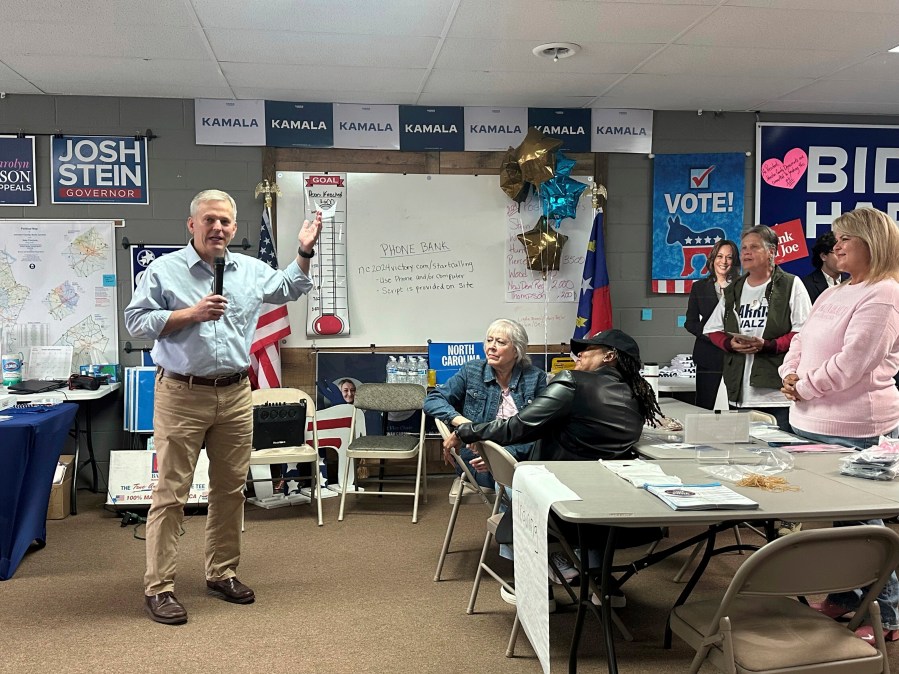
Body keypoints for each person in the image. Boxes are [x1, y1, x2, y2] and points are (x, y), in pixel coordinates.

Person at [124, 189, 322, 625]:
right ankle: (159, 587)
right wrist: (189, 314)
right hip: (181, 393)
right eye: (209, 220)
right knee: (170, 494)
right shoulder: (164, 271)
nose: (218, 228)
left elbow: (289, 286)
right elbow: (136, 321)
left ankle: (222, 573)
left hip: (235, 394)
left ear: (234, 228)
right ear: (191, 225)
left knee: (231, 490)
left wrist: (304, 250)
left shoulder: (249, 270)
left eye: (226, 222)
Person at [778, 207, 899, 644]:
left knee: (865, 529)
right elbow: (800, 340)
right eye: (836, 238)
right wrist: (788, 378)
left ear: (874, 243)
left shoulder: (885, 294)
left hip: (856, 425)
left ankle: (887, 614)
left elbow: (854, 363)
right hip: (809, 418)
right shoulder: (835, 291)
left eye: (846, 238)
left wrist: (805, 387)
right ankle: (846, 596)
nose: (837, 246)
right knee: (836, 523)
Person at [702, 225, 812, 432]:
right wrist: (730, 344)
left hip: (776, 395)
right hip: (739, 393)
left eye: (753, 247)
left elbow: (804, 333)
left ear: (771, 252)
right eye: (743, 248)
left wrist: (769, 346)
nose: (746, 253)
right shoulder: (734, 289)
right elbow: (712, 329)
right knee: (744, 456)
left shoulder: (791, 285)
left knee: (781, 457)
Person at [424, 318, 546, 489]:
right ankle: (512, 514)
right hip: (476, 453)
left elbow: (541, 428)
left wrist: (502, 455)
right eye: (489, 340)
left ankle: (509, 515)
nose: (491, 347)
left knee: (521, 478)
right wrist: (466, 426)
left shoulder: (535, 377)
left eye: (500, 342)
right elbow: (432, 400)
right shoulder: (472, 371)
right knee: (518, 482)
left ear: (517, 350)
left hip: (521, 453)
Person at [685, 239, 739, 409]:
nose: (724, 262)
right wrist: (712, 335)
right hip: (707, 355)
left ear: (734, 261)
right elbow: (690, 322)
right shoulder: (699, 287)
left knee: (737, 406)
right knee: (704, 406)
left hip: (736, 355)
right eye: (720, 256)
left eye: (729, 257)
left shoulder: (744, 286)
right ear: (713, 258)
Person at [801, 231, 849, 304]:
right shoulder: (806, 285)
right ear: (823, 256)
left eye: (844, 254)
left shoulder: (851, 282)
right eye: (838, 253)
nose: (843, 258)